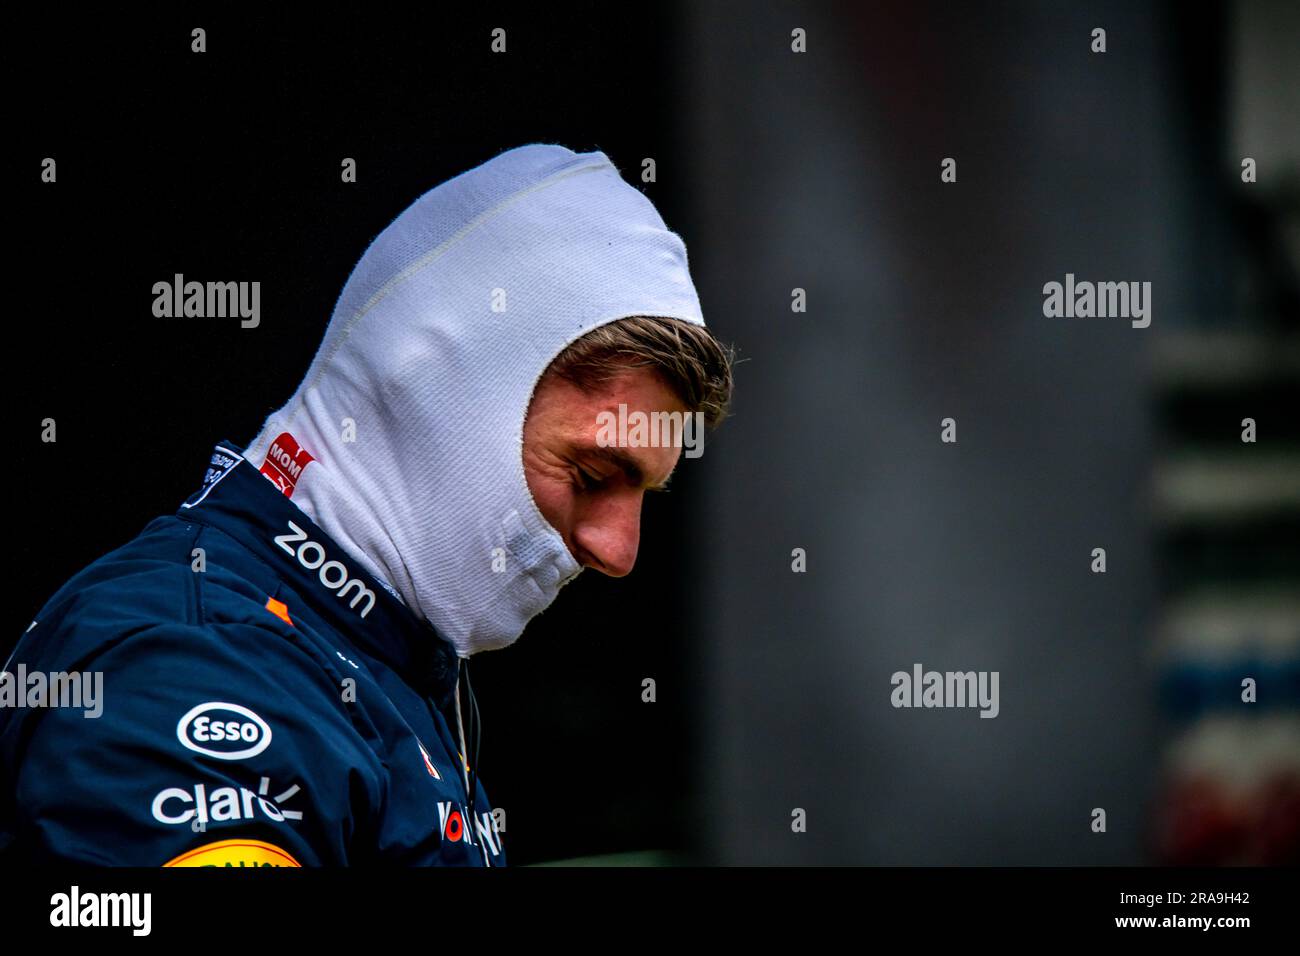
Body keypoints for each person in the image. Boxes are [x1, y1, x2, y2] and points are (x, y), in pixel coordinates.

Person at [0, 144, 733, 866]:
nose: (619, 550)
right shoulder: (196, 663)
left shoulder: (378, 655)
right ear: (437, 385)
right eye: (592, 473)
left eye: (645, 495)